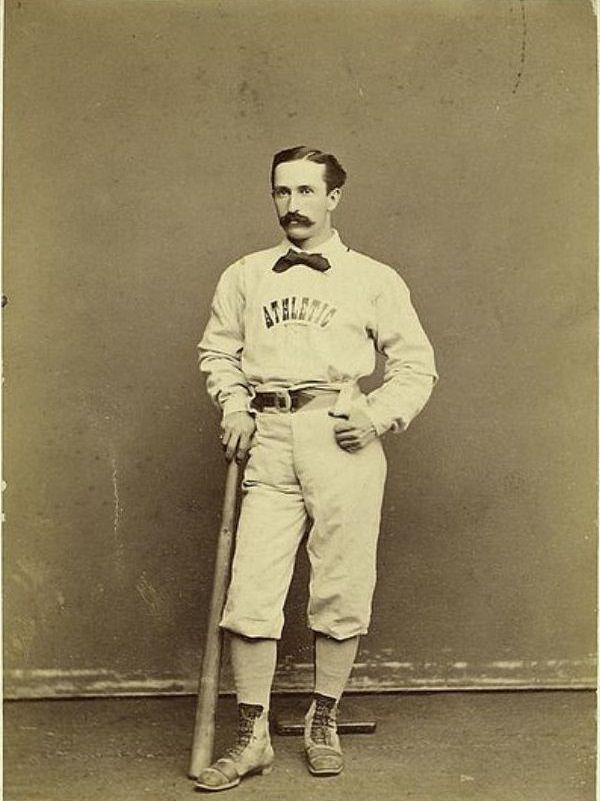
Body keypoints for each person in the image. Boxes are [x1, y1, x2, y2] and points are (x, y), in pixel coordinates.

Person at [195, 146, 437, 792]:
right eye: (282, 192)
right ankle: (251, 736)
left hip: (342, 435)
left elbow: (416, 365)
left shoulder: (374, 278)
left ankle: (321, 715)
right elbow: (218, 351)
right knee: (251, 586)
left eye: (307, 191)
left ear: (334, 197)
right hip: (269, 434)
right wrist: (234, 402)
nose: (293, 205)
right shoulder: (245, 275)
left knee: (342, 582)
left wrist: (378, 415)